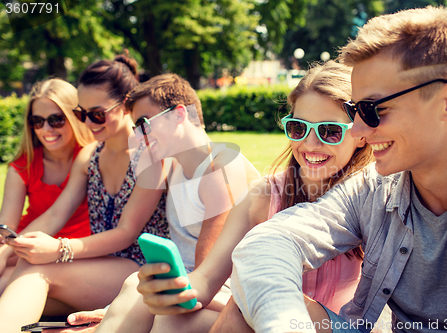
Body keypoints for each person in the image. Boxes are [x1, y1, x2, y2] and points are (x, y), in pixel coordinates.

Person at [229, 6, 447, 333]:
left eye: (372, 109)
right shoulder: (374, 189)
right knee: (243, 307)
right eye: (355, 110)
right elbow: (267, 245)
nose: (356, 131)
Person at [134, 60, 374, 333]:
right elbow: (204, 280)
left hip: (345, 327)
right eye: (298, 128)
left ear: (360, 134)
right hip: (269, 320)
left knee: (246, 299)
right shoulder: (262, 195)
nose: (309, 144)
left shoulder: (372, 196)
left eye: (329, 131)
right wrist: (174, 288)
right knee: (170, 319)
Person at [48, 72, 260, 333]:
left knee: (162, 315)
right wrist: (113, 310)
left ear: (180, 114)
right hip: (182, 289)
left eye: (144, 124)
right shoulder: (172, 166)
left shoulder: (219, 168)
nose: (139, 136)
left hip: (231, 298)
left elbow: (207, 278)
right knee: (132, 286)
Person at [0, 52, 168, 333]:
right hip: (101, 266)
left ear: (126, 104)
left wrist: (59, 249)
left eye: (97, 114)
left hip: (142, 269)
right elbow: (56, 214)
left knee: (34, 270)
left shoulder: (151, 155)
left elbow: (127, 233)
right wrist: (8, 248)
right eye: (81, 113)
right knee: (22, 272)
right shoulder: (90, 155)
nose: (88, 123)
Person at [0, 78, 94, 293]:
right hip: (27, 245)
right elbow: (7, 229)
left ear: (74, 117)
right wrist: (4, 249)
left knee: (7, 281)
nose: (47, 129)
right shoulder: (23, 166)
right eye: (38, 121)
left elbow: (56, 215)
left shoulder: (92, 157)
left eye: (56, 120)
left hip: (75, 250)